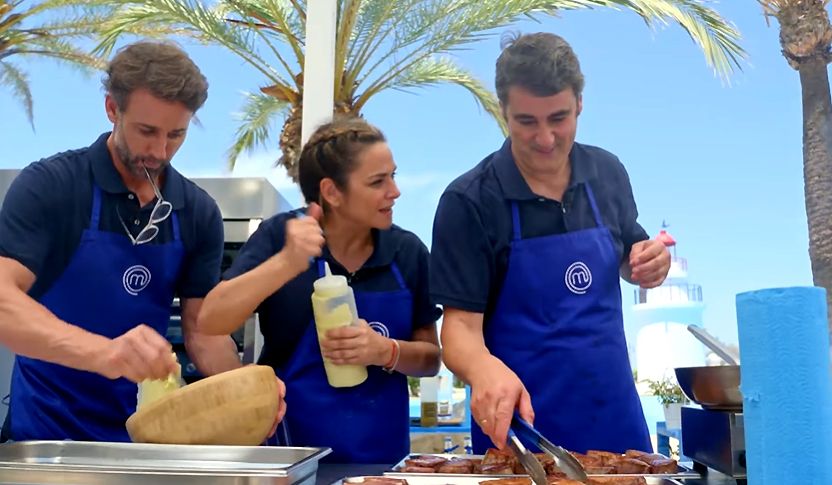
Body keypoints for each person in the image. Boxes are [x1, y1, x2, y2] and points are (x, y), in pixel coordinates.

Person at [431, 32, 671, 455]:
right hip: (524, 440)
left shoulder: (608, 172)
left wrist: (648, 264)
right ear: (503, 111)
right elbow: (458, 330)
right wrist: (483, 367)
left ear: (579, 103)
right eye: (527, 122)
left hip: (619, 429)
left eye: (558, 118)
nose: (545, 139)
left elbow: (630, 255)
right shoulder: (469, 201)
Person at [0, 41, 247, 442]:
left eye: (177, 135)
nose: (160, 150)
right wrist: (106, 353)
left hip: (147, 445)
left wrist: (245, 390)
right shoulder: (52, 187)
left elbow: (204, 335)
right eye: (147, 131)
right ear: (112, 109)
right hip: (47, 441)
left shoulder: (198, 213)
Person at [197, 117, 442, 463]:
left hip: (382, 466)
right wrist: (285, 263)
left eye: (393, 176)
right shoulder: (279, 236)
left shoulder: (408, 252)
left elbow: (431, 359)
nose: (395, 191)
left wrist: (385, 351)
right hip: (290, 462)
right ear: (331, 192)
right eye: (377, 181)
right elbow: (210, 320)